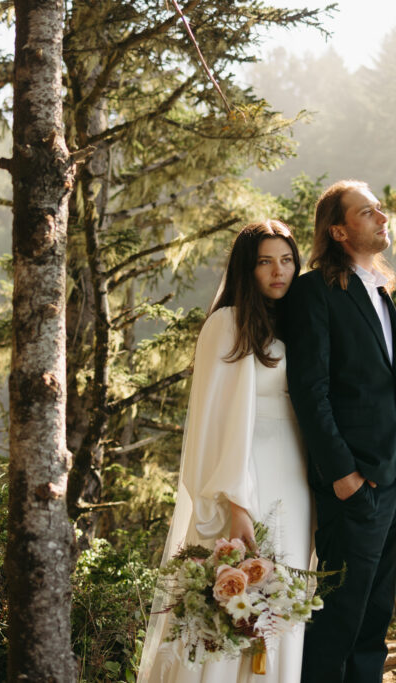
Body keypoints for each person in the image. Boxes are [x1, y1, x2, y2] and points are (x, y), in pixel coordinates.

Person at [138, 220, 313, 683]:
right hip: (247, 477)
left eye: (287, 259)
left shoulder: (298, 323)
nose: (279, 271)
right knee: (233, 601)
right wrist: (238, 503)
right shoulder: (226, 323)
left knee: (282, 604)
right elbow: (216, 423)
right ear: (246, 268)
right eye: (265, 262)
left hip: (296, 480)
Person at [282, 180, 396, 683]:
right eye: (367, 212)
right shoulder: (315, 291)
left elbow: (382, 385)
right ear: (338, 230)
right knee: (338, 619)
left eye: (380, 207)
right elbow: (309, 389)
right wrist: (343, 474)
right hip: (355, 482)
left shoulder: (381, 290)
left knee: (375, 620)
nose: (382, 216)